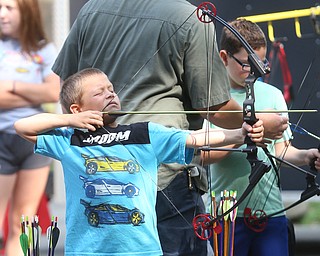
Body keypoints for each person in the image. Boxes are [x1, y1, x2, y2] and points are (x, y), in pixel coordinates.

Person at [51, 1, 288, 254]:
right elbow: (213, 108)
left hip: (102, 171)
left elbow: (69, 89)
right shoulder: (192, 17)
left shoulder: (90, 9)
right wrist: (257, 121)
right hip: (165, 176)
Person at [14, 68, 264, 255]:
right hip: (87, 250)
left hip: (141, 249)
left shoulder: (142, 133)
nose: (110, 94)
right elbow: (22, 126)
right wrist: (67, 121)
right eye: (99, 93)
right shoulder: (69, 140)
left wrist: (240, 134)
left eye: (111, 89)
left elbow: (194, 138)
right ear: (77, 109)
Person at [202, 19, 320, 256]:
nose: (255, 70)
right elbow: (204, 155)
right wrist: (242, 134)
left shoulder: (273, 95)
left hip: (270, 213)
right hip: (228, 214)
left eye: (260, 63)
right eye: (247, 64)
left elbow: (281, 150)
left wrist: (308, 156)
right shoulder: (212, 100)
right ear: (224, 57)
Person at [0, 0, 60, 255]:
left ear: (27, 11)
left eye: (9, 8)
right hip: (2, 138)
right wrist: (35, 92)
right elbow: (43, 91)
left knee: (20, 224)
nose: (1, 14)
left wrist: (12, 85)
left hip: (34, 141)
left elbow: (54, 91)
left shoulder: (44, 49)